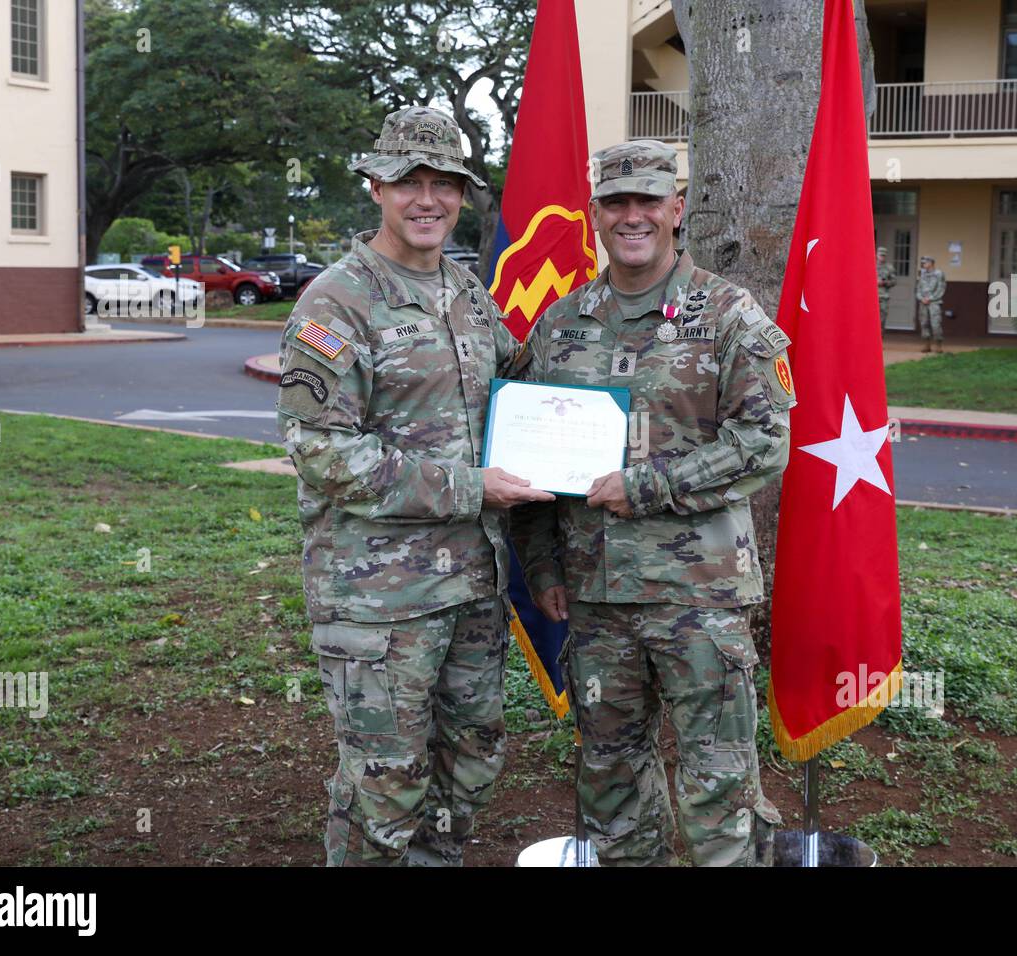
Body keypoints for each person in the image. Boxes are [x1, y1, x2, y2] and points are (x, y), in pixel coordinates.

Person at [275, 105, 553, 866]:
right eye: (408, 182)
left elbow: (521, 385)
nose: (427, 199)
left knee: (470, 768)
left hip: (471, 590)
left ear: (463, 194)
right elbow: (322, 450)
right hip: (379, 602)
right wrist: (470, 488)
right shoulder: (337, 303)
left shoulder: (466, 292)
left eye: (444, 183)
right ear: (375, 186)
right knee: (384, 789)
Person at [512, 139, 792, 866]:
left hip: (698, 597)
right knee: (609, 778)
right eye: (616, 202)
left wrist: (646, 485)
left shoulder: (728, 314)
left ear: (676, 209)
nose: (632, 216)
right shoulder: (561, 324)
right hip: (596, 599)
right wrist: (541, 568)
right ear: (594, 213)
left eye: (647, 201)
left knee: (718, 783)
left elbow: (765, 441)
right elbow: (528, 460)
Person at [915, 254, 946, 353]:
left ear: (931, 263)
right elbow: (918, 288)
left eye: (925, 263)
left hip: (934, 303)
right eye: (923, 263)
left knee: (935, 324)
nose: (923, 264)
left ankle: (938, 344)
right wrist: (921, 298)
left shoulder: (939, 274)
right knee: (924, 323)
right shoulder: (922, 274)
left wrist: (930, 298)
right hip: (923, 302)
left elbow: (941, 289)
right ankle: (926, 344)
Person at [875, 245, 896, 331]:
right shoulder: (870, 265)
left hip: (884, 296)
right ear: (877, 255)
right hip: (871, 297)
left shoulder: (889, 267)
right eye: (880, 255)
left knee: (882, 319)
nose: (882, 257)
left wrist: (884, 283)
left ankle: (880, 339)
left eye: (883, 255)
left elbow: (894, 281)